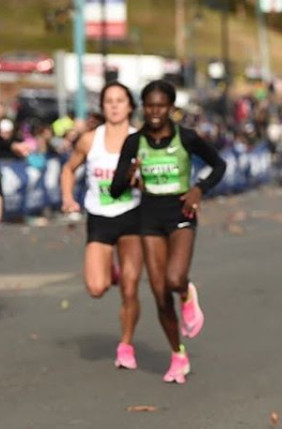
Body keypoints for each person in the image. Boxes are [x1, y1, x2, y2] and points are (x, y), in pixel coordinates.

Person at [110, 79, 226, 384]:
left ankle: (186, 293)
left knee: (174, 279)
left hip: (180, 214)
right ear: (143, 107)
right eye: (149, 106)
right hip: (149, 219)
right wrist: (127, 174)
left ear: (171, 107)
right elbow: (116, 188)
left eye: (161, 106)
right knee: (160, 294)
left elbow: (219, 165)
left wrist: (199, 189)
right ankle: (178, 354)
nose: (155, 112)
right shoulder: (134, 142)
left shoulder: (186, 137)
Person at [60, 81, 143, 370]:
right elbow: (69, 169)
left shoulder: (140, 140)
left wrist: (139, 181)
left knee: (130, 289)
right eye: (109, 101)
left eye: (120, 100)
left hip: (133, 215)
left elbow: (152, 181)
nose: (115, 106)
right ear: (103, 106)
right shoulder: (89, 140)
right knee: (96, 288)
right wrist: (68, 198)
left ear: (130, 106)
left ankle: (126, 344)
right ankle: (110, 269)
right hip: (100, 217)